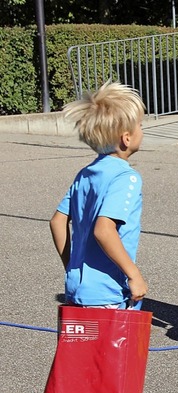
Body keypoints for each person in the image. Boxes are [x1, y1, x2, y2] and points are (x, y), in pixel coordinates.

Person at [50, 81, 148, 309]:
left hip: (77, 288)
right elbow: (104, 230)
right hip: (109, 292)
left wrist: (71, 265)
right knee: (112, 346)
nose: (142, 131)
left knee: (80, 345)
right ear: (126, 138)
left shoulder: (85, 174)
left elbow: (57, 222)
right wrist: (134, 275)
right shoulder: (127, 178)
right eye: (140, 126)